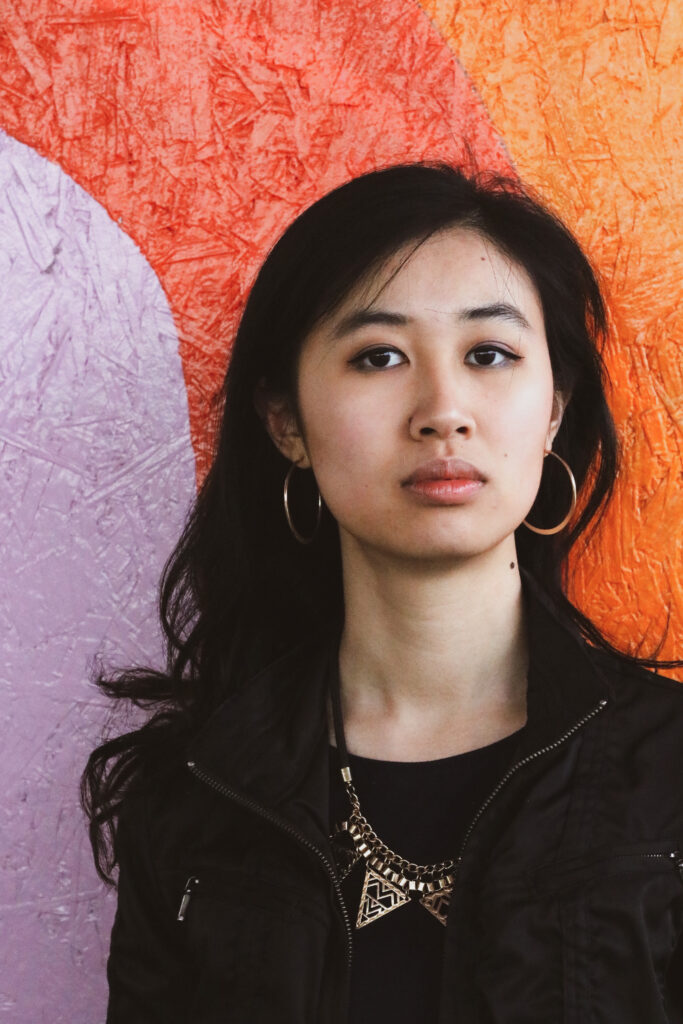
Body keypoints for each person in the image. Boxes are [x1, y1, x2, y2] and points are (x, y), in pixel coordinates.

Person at [82, 162, 683, 1024]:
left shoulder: (664, 769)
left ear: (553, 408)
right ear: (286, 422)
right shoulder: (194, 798)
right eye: (379, 356)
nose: (443, 410)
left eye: (489, 354)